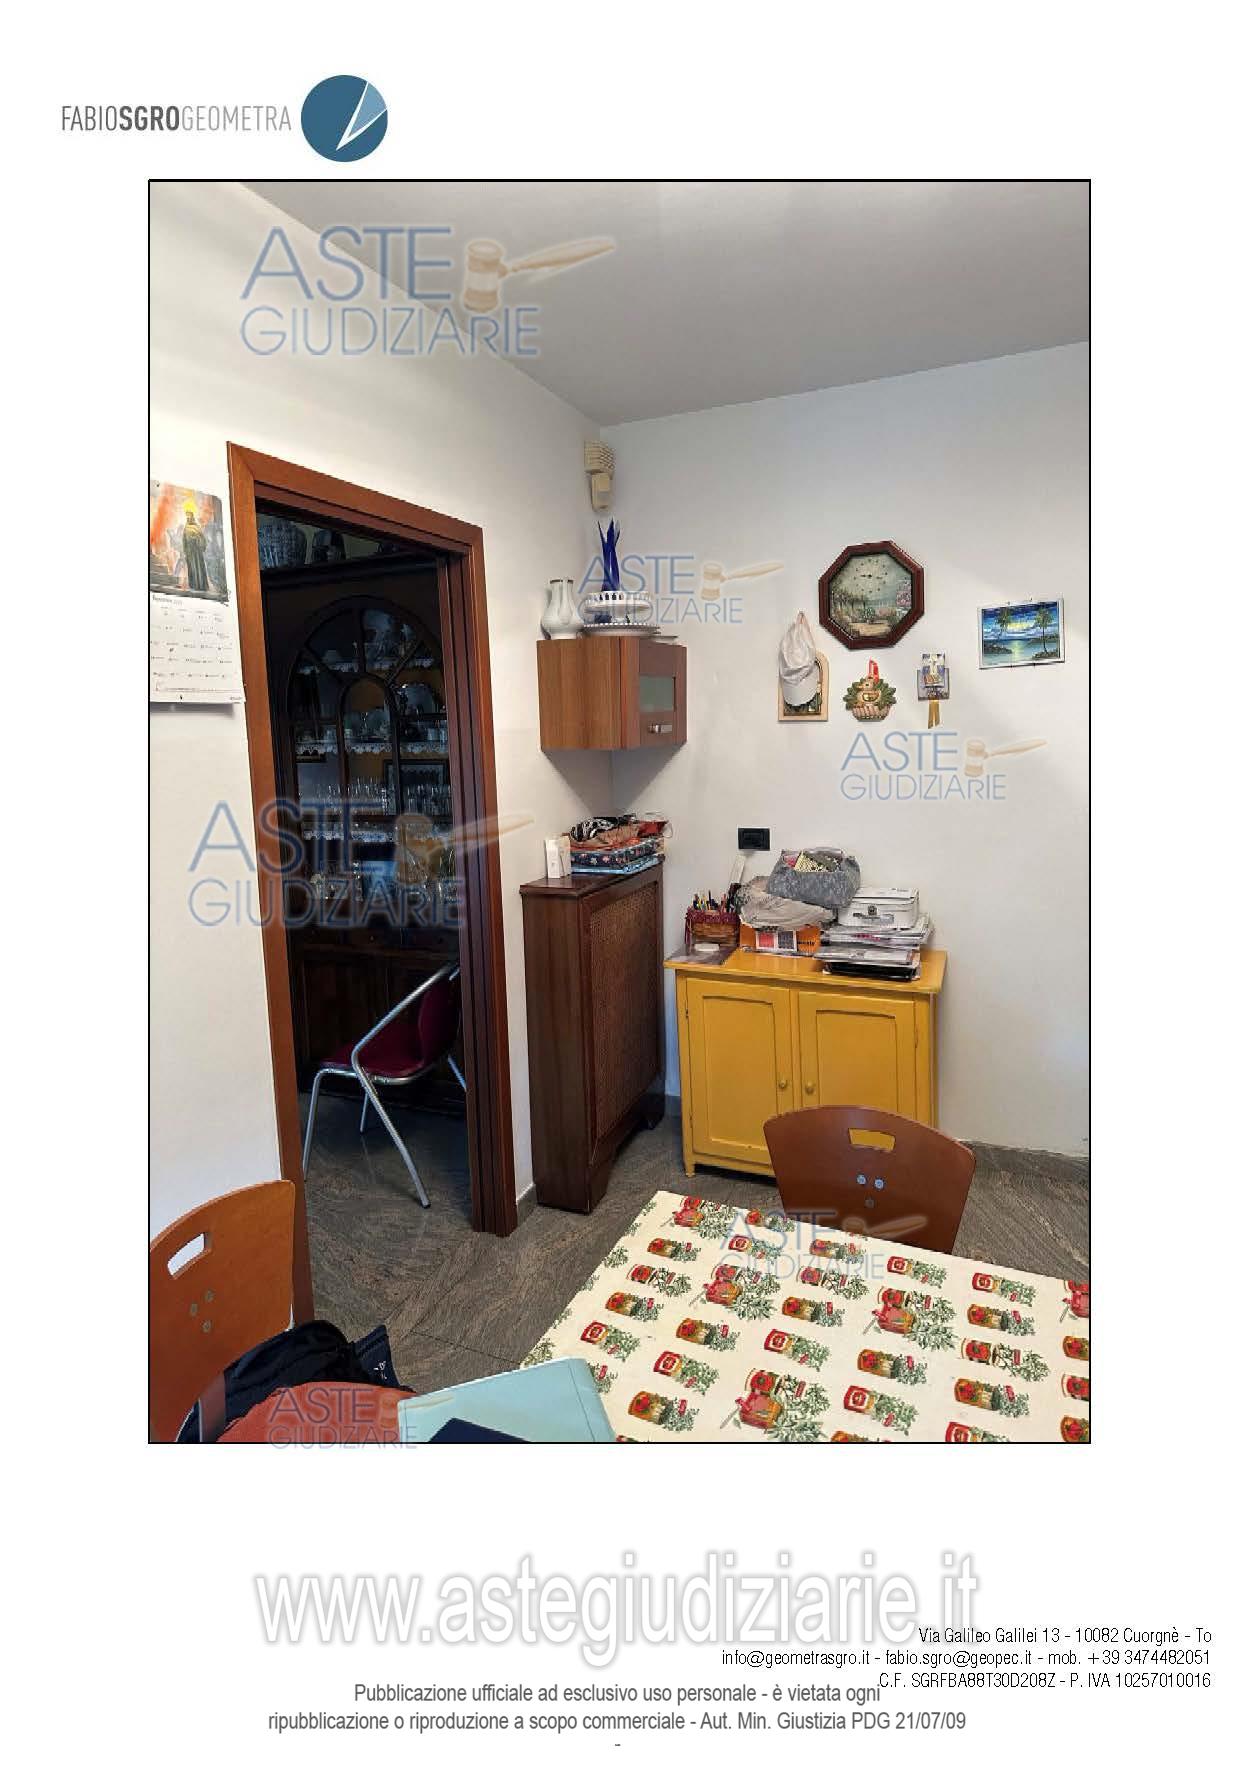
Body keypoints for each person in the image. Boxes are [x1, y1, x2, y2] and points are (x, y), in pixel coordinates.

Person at [181, 502, 210, 597]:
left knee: (199, 569)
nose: (188, 517)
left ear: (192, 516)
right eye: (187, 516)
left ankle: (201, 586)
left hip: (197, 552)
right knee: (192, 568)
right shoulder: (186, 528)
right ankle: (194, 585)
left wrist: (199, 543)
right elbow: (184, 540)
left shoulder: (197, 527)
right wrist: (185, 551)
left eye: (189, 515)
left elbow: (202, 538)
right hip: (190, 552)